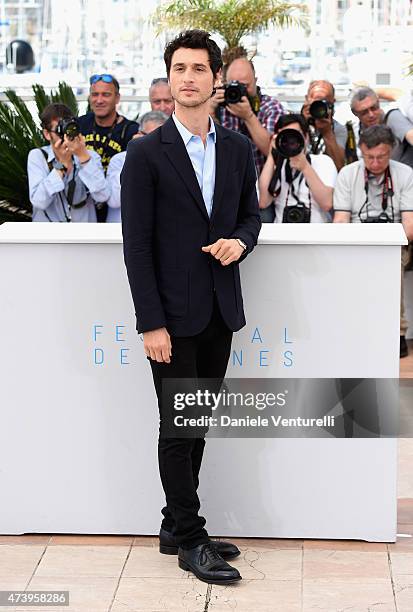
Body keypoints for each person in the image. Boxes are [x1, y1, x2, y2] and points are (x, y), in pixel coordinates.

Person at [121, 29, 261, 585]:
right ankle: (191, 538)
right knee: (178, 428)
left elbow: (251, 217)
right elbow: (137, 246)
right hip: (171, 318)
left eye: (198, 68)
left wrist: (240, 242)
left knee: (196, 423)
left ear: (215, 79)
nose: (187, 78)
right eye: (179, 68)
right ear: (169, 77)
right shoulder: (146, 152)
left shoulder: (236, 148)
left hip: (220, 311)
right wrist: (151, 322)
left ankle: (173, 524)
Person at [333, 125, 413, 358]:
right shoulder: (348, 173)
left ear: (392, 151)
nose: (376, 163)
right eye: (369, 157)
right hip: (355, 242)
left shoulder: (405, 174)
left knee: (392, 263)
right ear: (361, 151)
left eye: (382, 157)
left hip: (394, 243)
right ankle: (355, 330)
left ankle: (397, 332)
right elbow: (340, 221)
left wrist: (383, 240)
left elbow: (409, 226)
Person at [28, 103, 109, 222]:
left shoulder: (90, 156)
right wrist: (61, 165)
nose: (65, 135)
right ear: (47, 134)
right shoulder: (38, 156)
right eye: (60, 130)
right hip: (49, 235)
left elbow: (103, 196)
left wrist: (83, 157)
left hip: (83, 234)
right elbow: (39, 201)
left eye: (69, 129)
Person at [77, 74, 139, 221]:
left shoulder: (131, 130)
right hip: (84, 205)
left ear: (117, 98)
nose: (99, 100)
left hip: (117, 208)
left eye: (106, 95)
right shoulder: (80, 125)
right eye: (95, 94)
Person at [258, 114, 337, 223]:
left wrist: (305, 167)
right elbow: (263, 202)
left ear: (306, 137)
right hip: (280, 233)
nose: (291, 141)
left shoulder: (322, 161)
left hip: (316, 233)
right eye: (285, 136)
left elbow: (327, 204)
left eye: (294, 135)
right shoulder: (277, 166)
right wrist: (272, 155)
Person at [106, 111, 168, 222]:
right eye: (150, 137)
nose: (154, 143)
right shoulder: (120, 160)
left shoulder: (171, 161)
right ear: (139, 135)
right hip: (118, 230)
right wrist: (134, 156)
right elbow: (114, 200)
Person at [301, 80, 347, 171]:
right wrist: (302, 123)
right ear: (307, 99)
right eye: (316, 102)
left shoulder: (338, 129)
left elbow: (339, 167)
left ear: (333, 102)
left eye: (325, 102)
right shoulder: (294, 123)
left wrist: (327, 132)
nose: (319, 106)